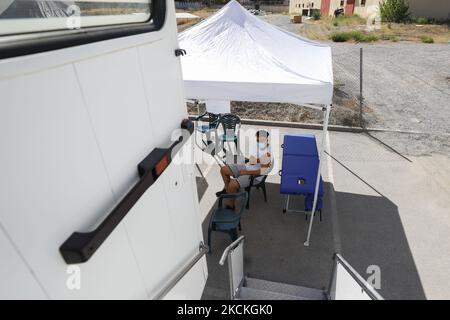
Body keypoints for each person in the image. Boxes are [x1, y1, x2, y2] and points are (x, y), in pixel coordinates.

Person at [216, 130, 272, 209]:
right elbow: (253, 161)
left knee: (232, 185)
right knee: (224, 170)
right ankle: (228, 190)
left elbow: (262, 171)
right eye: (257, 139)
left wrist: (246, 172)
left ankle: (231, 205)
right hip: (248, 167)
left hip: (256, 176)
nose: (258, 142)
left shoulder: (268, 153)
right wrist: (247, 160)